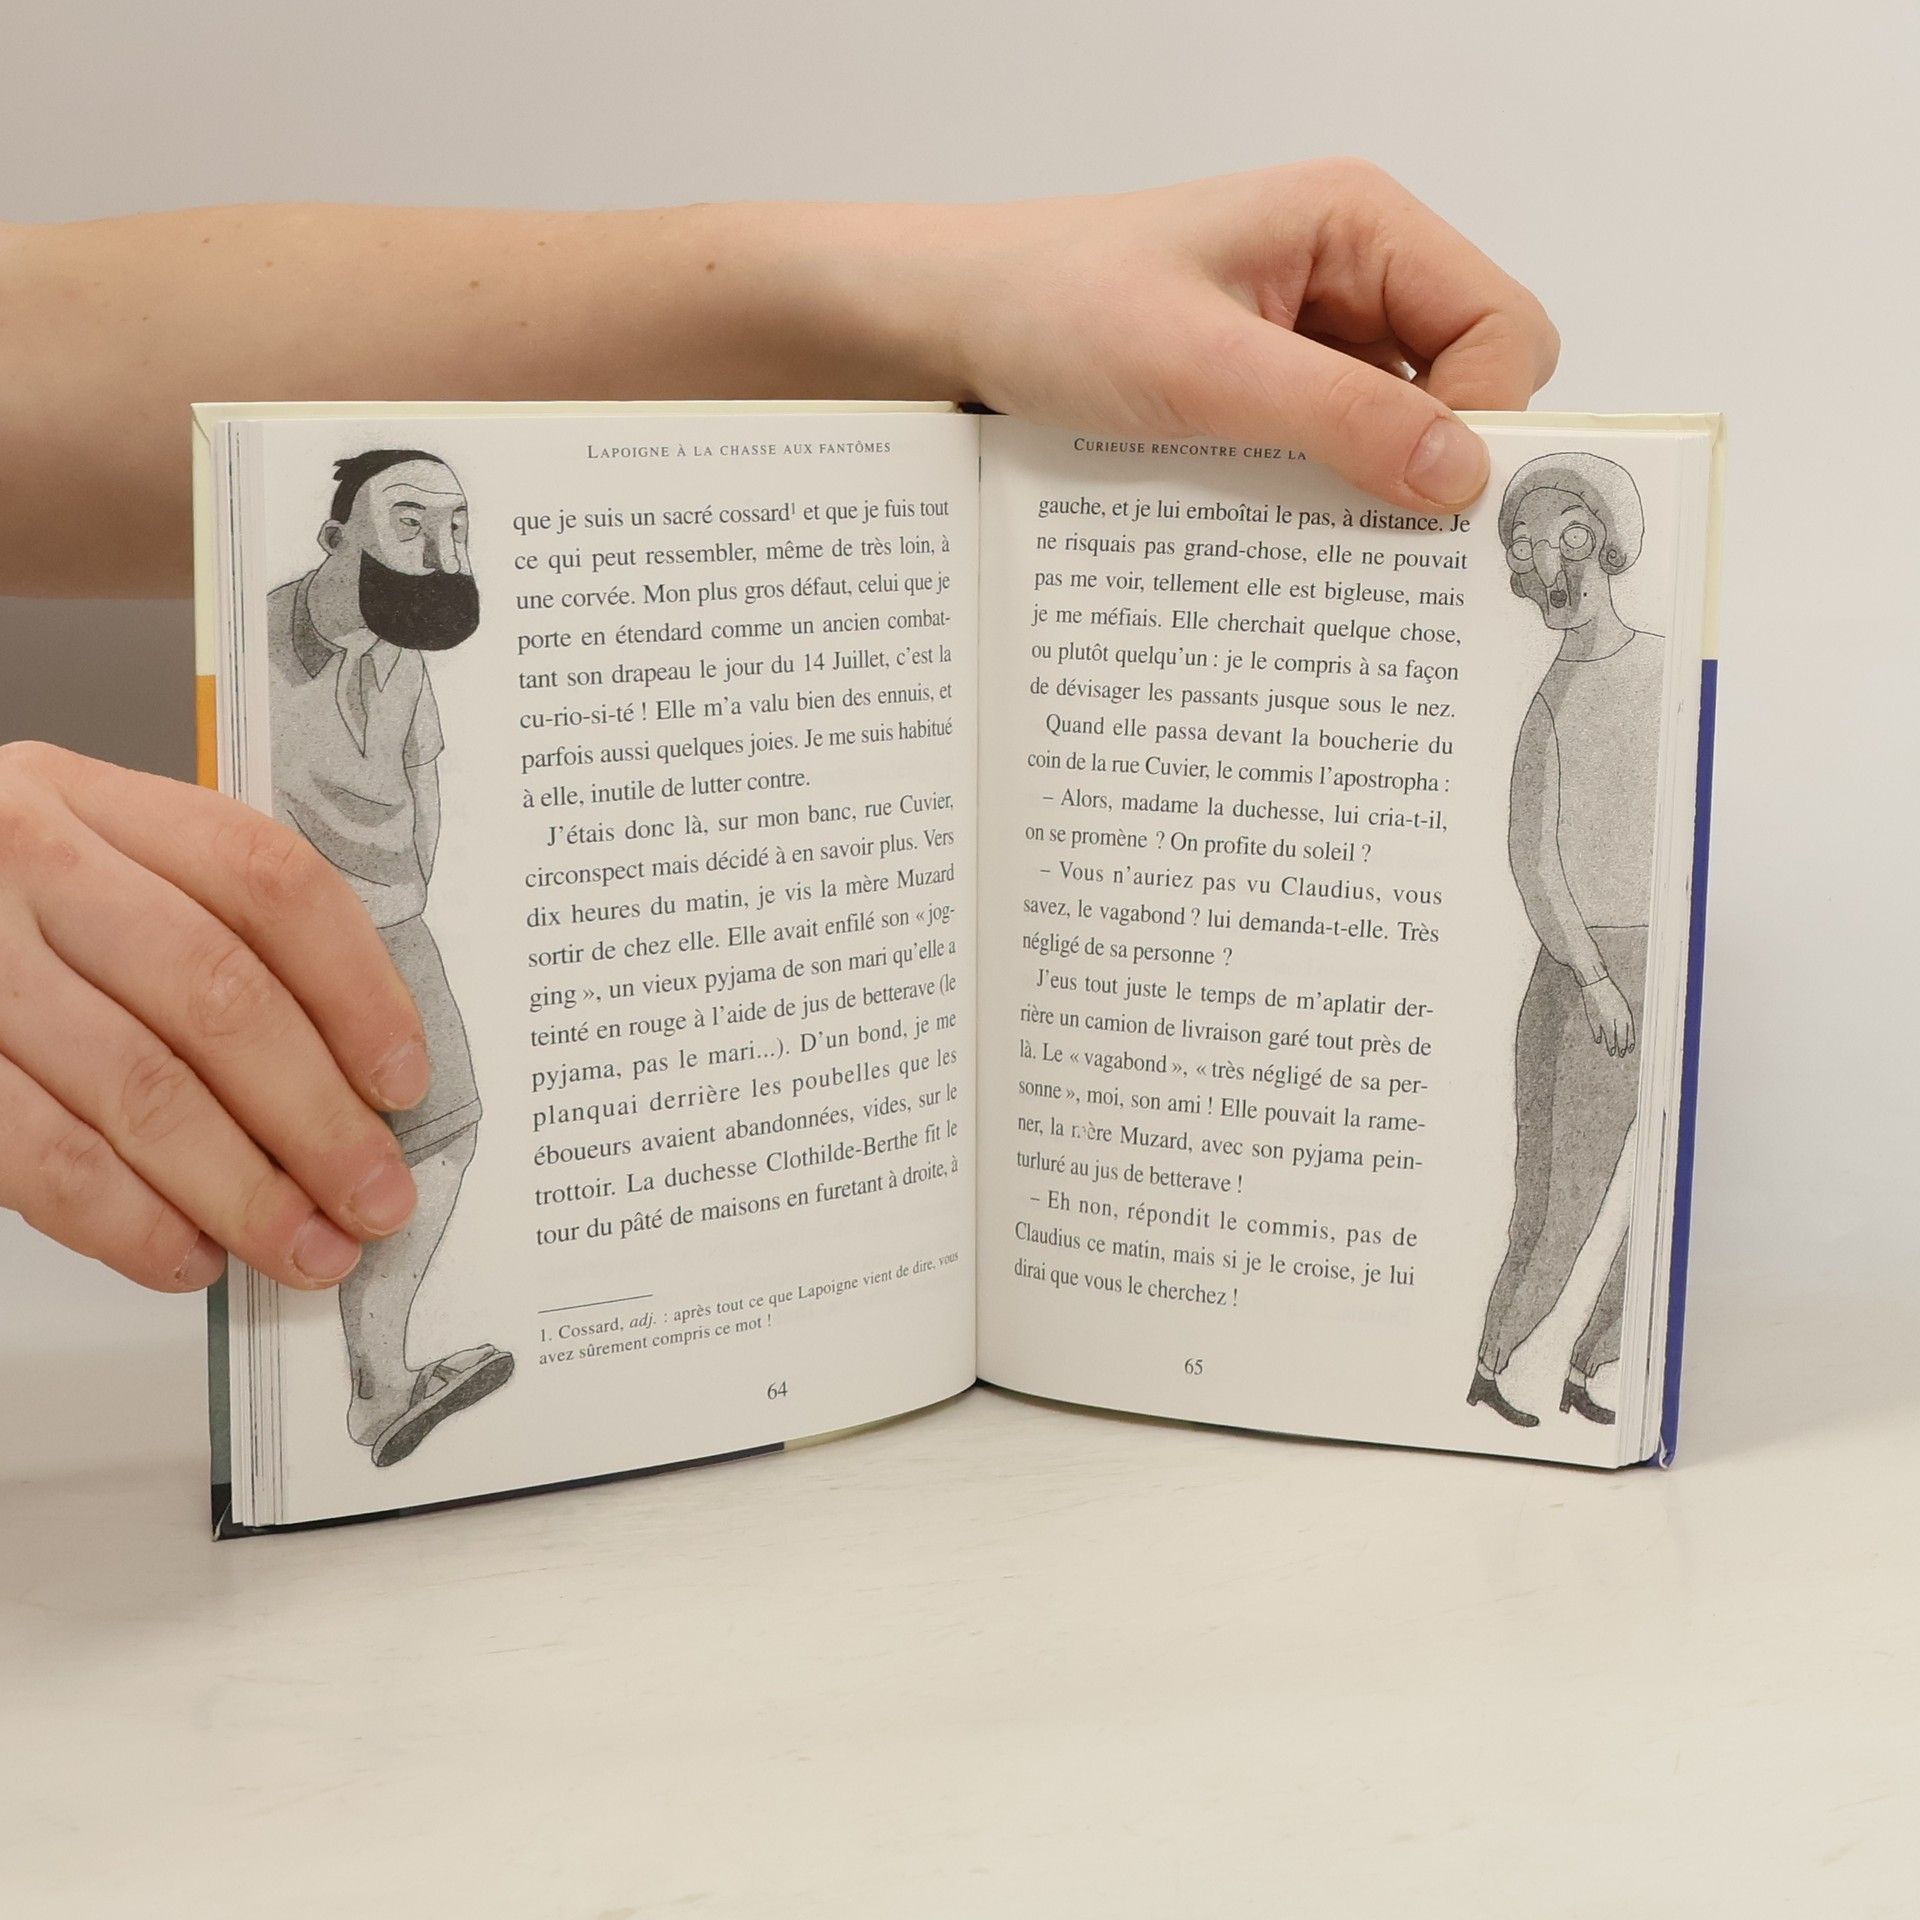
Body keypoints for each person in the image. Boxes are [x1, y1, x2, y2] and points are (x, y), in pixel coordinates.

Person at [0, 160, 1559, 1298]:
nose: (442, 551)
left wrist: (951, 292)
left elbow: (43, 352)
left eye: (448, 526)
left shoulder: (402, 660)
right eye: (413, 526)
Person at [1467, 452, 1662, 1429]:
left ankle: (1597, 1365)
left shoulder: (1663, 667)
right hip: (1584, 975)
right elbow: (1533, 862)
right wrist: (1592, 979)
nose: (1549, 565)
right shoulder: (1550, 703)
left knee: (1660, 1180)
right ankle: (1497, 1365)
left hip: (1661, 950)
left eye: (1567, 538)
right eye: (1525, 546)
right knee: (1560, 1194)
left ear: (1604, 542)